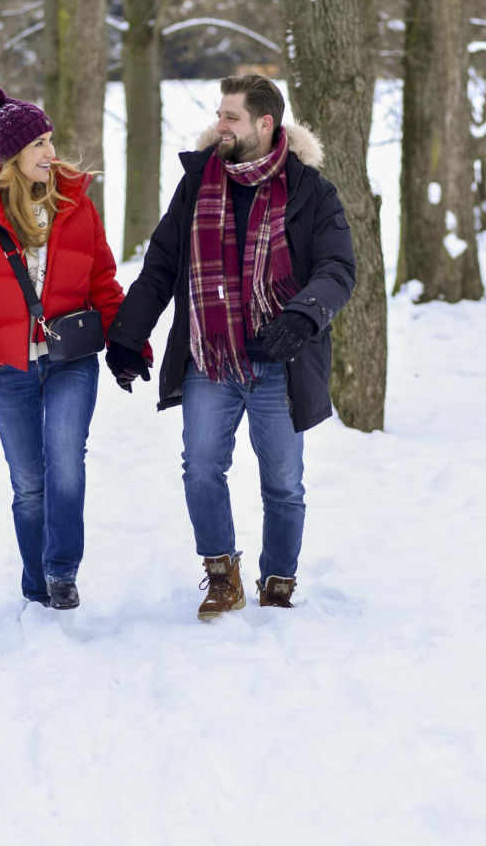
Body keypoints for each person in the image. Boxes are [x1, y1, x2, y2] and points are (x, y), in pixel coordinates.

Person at [105, 74, 356, 620]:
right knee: (200, 468)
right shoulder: (198, 183)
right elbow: (162, 266)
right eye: (220, 114)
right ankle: (222, 576)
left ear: (265, 125)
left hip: (280, 363)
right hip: (210, 358)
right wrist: (128, 335)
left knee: (284, 483)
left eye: (231, 117)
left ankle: (278, 580)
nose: (219, 125)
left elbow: (339, 268)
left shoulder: (311, 191)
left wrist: (302, 316)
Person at [0, 84, 143, 610]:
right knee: (29, 484)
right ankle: (36, 585)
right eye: (39, 146)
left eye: (50, 140)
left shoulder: (76, 208)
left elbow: (104, 284)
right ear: (10, 159)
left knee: (65, 461)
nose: (52, 153)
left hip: (72, 360)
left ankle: (61, 572)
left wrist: (126, 345)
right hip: (9, 370)